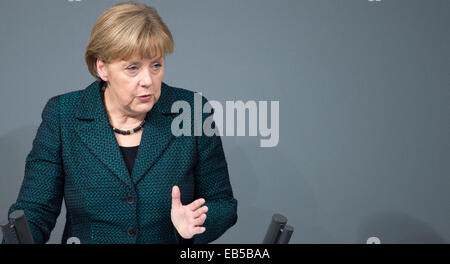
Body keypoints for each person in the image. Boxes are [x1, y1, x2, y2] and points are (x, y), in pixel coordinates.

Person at [6, 1, 237, 244]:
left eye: (156, 65)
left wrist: (195, 221)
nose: (148, 80)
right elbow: (35, 210)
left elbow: (222, 203)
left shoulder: (191, 111)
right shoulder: (63, 115)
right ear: (102, 68)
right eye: (132, 68)